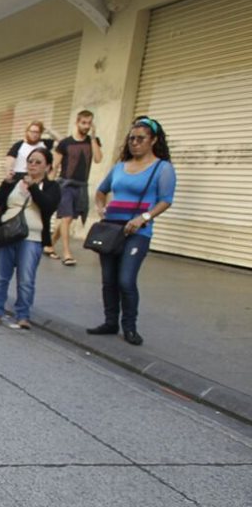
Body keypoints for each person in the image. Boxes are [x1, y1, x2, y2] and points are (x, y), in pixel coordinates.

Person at [88, 116, 175, 346]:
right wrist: (100, 207)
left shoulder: (162, 168)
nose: (134, 143)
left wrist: (144, 217)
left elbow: (166, 200)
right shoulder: (119, 167)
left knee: (126, 280)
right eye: (131, 138)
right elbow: (100, 191)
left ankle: (129, 327)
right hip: (111, 230)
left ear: (153, 140)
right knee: (109, 280)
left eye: (140, 138)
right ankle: (110, 322)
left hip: (137, 233)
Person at [0, 147, 60, 330]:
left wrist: (33, 187)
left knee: (26, 279)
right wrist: (5, 183)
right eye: (30, 161)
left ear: (48, 166)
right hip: (7, 234)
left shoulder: (52, 187)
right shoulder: (15, 181)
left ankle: (23, 315)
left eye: (38, 162)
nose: (32, 165)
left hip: (32, 238)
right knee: (1, 277)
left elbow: (48, 206)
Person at [52, 109, 103, 265]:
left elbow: (98, 159)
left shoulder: (92, 141)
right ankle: (67, 253)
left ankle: (49, 244)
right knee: (66, 218)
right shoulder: (65, 143)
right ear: (77, 122)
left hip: (81, 187)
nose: (86, 126)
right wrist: (48, 186)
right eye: (83, 123)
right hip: (65, 184)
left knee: (68, 219)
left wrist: (93, 137)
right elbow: (55, 165)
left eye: (89, 123)